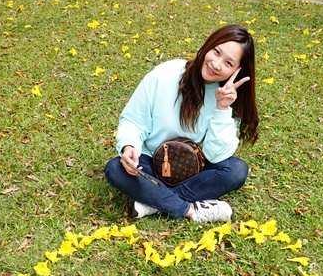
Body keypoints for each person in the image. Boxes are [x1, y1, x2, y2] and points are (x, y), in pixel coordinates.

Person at [104, 25, 259, 223]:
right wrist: (129, 146)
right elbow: (133, 120)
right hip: (150, 162)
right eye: (216, 52)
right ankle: (190, 210)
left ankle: (153, 201)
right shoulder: (166, 73)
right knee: (115, 169)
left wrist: (222, 108)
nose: (216, 64)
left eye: (228, 63)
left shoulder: (228, 96)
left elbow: (215, 155)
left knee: (236, 170)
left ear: (237, 70)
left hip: (195, 170)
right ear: (208, 45)